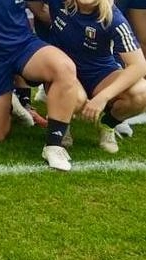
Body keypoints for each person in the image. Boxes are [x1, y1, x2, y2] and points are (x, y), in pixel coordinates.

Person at [0, 0, 85, 171]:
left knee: (65, 68)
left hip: (23, 46)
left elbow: (40, 12)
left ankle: (54, 145)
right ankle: (10, 100)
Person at [35, 0, 146, 152]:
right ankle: (62, 122)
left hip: (100, 73)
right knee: (77, 99)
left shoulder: (113, 18)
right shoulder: (60, 3)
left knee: (141, 93)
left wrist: (103, 97)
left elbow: (139, 65)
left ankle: (107, 124)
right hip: (63, 71)